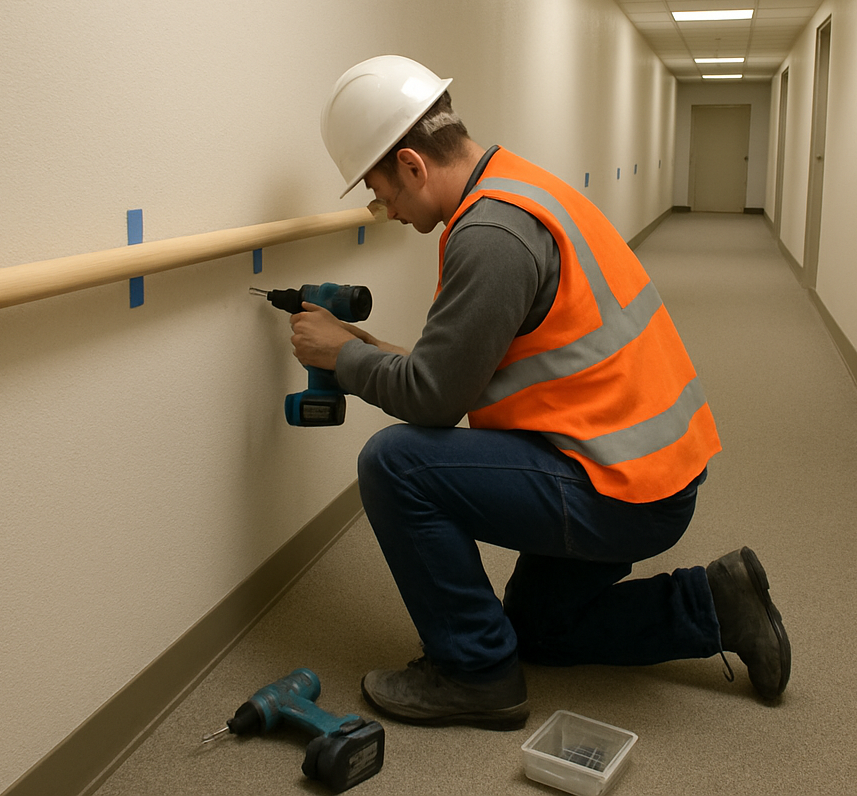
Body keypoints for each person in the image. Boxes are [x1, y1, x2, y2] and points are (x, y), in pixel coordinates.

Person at [288, 55, 791, 730]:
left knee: (393, 464)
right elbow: (467, 370)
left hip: (619, 487)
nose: (391, 213)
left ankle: (473, 673)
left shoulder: (491, 235)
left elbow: (435, 400)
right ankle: (716, 604)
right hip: (645, 467)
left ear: (412, 164)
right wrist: (367, 349)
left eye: (382, 196)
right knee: (540, 629)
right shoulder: (519, 187)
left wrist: (339, 357)